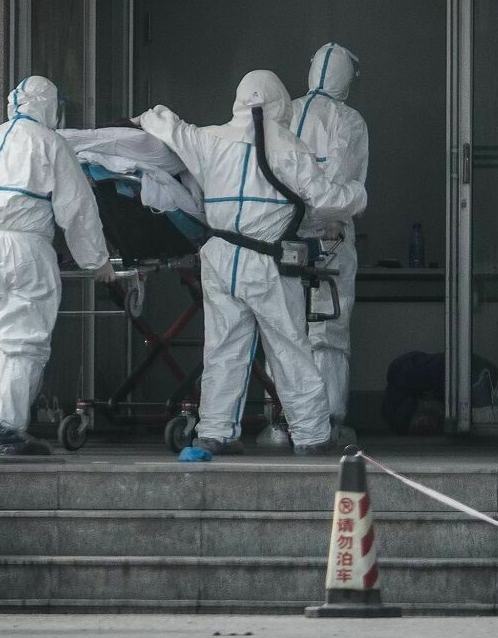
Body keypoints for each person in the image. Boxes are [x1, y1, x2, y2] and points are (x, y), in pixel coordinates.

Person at [134, 70, 367, 456]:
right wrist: (357, 194)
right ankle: (311, 435)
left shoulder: (209, 138)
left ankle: (215, 431)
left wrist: (141, 119)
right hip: (267, 262)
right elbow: (325, 200)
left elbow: (167, 125)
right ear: (279, 102)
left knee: (223, 349)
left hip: (220, 258)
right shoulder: (290, 148)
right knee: (289, 348)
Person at [0, 76, 115, 456]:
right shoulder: (49, 143)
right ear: (49, 105)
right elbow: (77, 208)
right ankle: (5, 428)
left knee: (8, 340)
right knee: (27, 341)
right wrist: (98, 261)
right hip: (25, 248)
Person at [289, 43, 369, 444]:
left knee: (285, 328)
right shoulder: (348, 120)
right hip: (330, 239)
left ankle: (285, 419)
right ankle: (329, 419)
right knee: (328, 329)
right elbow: (340, 176)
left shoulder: (285, 113)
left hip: (283, 237)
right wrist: (330, 220)